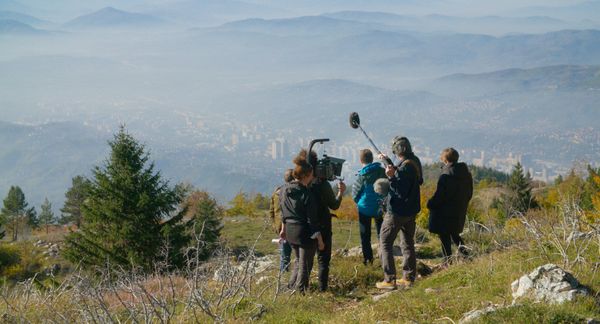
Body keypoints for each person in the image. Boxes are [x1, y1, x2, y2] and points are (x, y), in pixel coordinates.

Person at [376, 136, 423, 290]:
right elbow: (411, 180)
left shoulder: (404, 168)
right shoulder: (414, 161)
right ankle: (408, 278)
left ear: (397, 149)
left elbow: (399, 189)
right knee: (408, 243)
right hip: (411, 211)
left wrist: (390, 177)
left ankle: (389, 280)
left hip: (396, 211)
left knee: (384, 242)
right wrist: (389, 161)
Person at [302, 149, 346, 292]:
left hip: (304, 225)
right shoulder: (322, 185)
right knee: (323, 260)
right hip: (323, 224)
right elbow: (334, 205)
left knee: (303, 260)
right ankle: (322, 289)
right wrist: (340, 192)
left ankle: (302, 288)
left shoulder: (300, 184)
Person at [280, 155, 325, 292]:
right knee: (305, 265)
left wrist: (283, 229)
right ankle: (300, 292)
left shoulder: (284, 190)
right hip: (304, 232)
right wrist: (320, 239)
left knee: (298, 262)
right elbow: (312, 220)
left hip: (290, 231)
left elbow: (282, 211)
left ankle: (290, 288)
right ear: (306, 175)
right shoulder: (306, 194)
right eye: (311, 174)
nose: (313, 177)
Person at [427, 148, 473, 265]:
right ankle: (466, 256)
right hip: (459, 210)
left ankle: (447, 262)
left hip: (445, 212)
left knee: (444, 236)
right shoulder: (466, 174)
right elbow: (469, 193)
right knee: (455, 234)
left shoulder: (446, 175)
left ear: (445, 159)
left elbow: (440, 195)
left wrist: (430, 203)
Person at [352, 149, 386, 265]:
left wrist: (359, 202)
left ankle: (368, 260)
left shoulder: (362, 175)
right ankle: (384, 258)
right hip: (379, 207)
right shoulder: (382, 171)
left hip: (364, 209)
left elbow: (355, 194)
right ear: (372, 159)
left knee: (365, 236)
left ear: (361, 160)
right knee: (381, 234)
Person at [270, 169, 295, 272]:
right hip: (290, 225)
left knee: (284, 252)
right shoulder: (291, 192)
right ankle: (287, 274)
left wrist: (275, 225)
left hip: (279, 226)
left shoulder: (276, 192)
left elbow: (271, 211)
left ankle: (283, 273)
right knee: (296, 252)